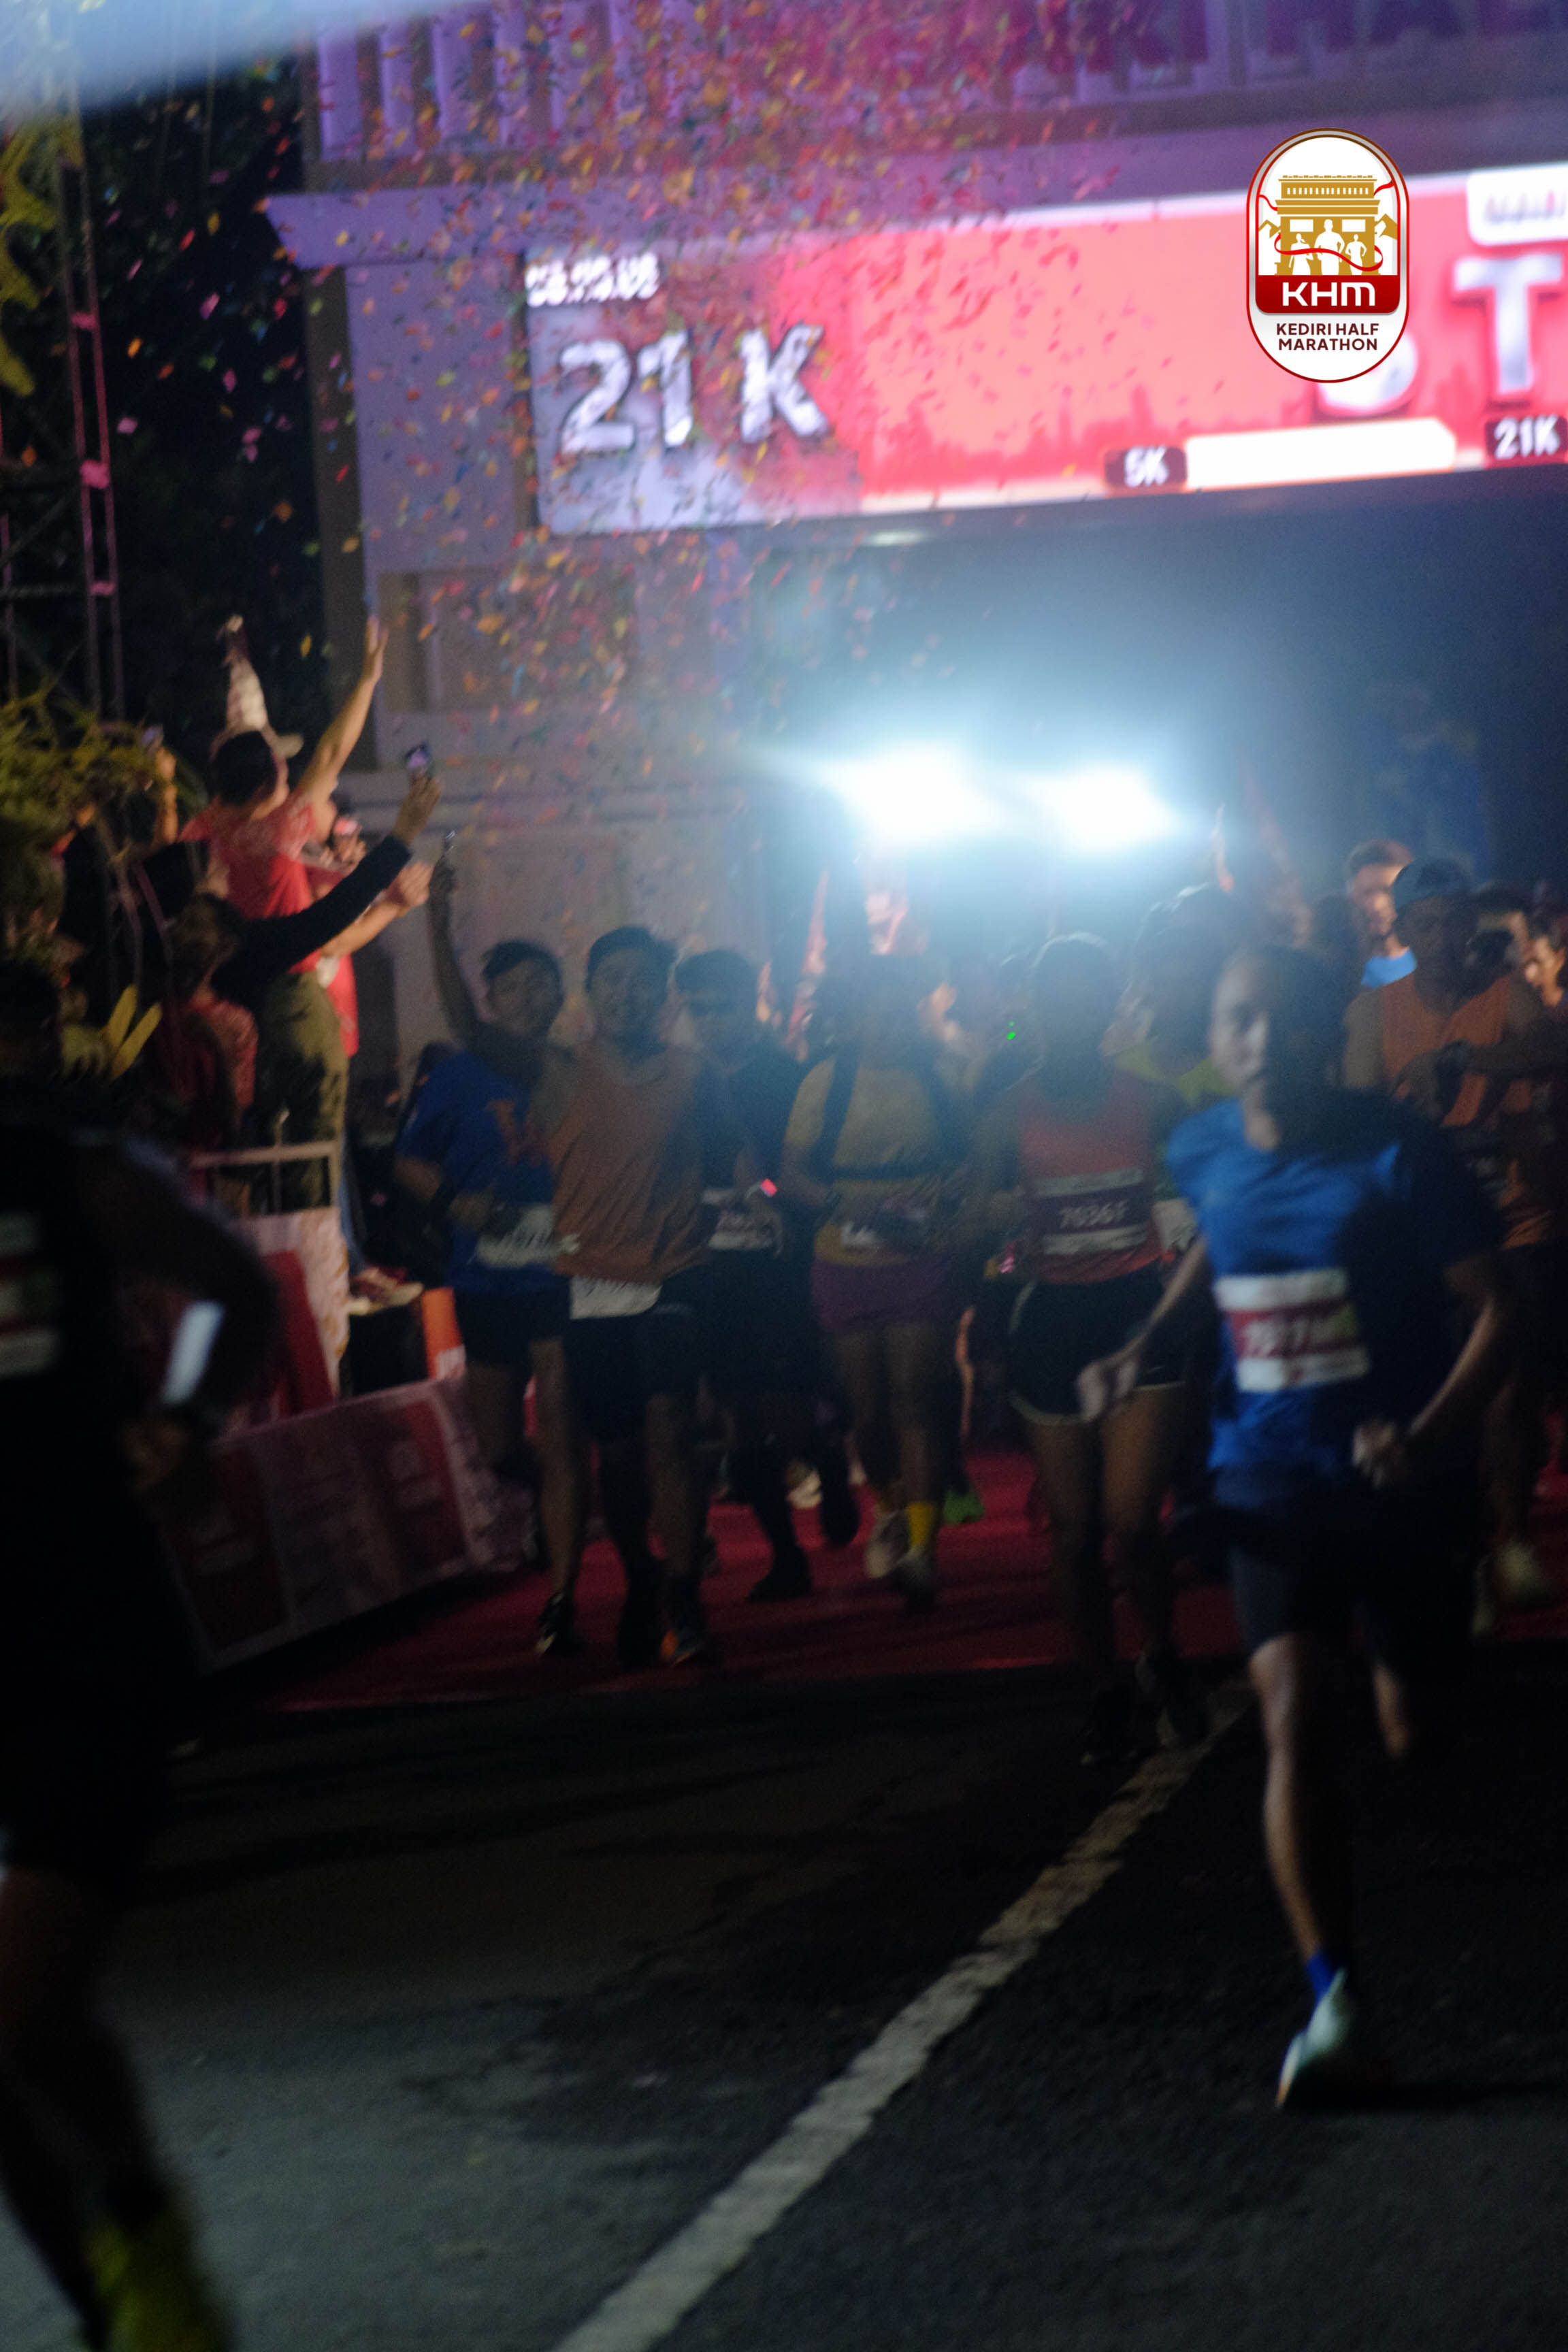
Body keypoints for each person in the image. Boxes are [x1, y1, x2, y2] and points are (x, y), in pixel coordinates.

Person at [1081, 947, 1513, 2105]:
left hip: (1396, 1485)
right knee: (1293, 1722)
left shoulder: (1399, 1152)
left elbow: (1497, 1311)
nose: (1259, 1041)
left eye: (1282, 1021)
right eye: (1239, 1019)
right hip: (1267, 1479)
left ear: (1325, 1034)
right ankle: (1334, 2003)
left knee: (1414, 1735)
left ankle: (1439, 1621)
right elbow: (1214, 1240)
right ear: (1214, 1033)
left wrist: (1426, 1434)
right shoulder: (1198, 1145)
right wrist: (1146, 1341)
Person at [0, 958, 279, 2351]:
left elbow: (234, 1288)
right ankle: (120, 2313)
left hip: (79, 1633)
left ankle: (147, 2237)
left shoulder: (60, 1172)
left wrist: (188, 1417)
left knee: (22, 2014)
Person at [963, 936, 1203, 1761]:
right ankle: (1101, 1687)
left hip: (1137, 1317)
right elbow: (969, 1233)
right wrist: (990, 1221)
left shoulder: (1156, 1102)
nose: (1068, 1015)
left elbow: (1202, 1205)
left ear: (1110, 1006)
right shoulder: (1003, 1114)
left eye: (1083, 998)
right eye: (1052, 1000)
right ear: (1032, 1011)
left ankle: (1161, 1652)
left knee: (1132, 1522)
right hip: (1050, 1322)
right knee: (1072, 1532)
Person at [528, 927, 756, 1667]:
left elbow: (734, 1151)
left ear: (665, 996)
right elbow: (474, 1031)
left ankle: (685, 1599)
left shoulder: (693, 1074)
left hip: (674, 1273)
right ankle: (641, 1576)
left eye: (644, 980)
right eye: (613, 979)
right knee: (619, 1458)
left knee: (671, 1432)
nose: (628, 993)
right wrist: (436, 923)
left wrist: (759, 1193)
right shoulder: (562, 1072)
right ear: (591, 992)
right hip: (590, 1280)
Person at [1344, 855, 1566, 1618]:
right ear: (1403, 932)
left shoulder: (1507, 994)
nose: (1441, 939)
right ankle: (1467, 1550)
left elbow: (1552, 1047)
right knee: (1440, 1391)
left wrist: (1464, 1058)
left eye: (1452, 922)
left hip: (1512, 1217)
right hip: (1421, 1233)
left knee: (1508, 1388)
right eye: (1426, 925)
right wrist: (1411, 1108)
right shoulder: (1373, 1012)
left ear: (1471, 925)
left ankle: (1511, 1535)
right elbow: (1357, 1117)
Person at [181, 619, 425, 1208]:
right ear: (264, 784)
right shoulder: (281, 827)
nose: (292, 777)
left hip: (225, 1003)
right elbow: (333, 752)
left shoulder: (195, 837)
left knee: (247, 1145)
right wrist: (368, 679)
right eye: (282, 772)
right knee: (314, 1143)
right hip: (289, 1000)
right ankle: (312, 1242)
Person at [395, 925, 586, 1654]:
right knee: (500, 1443)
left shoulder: (576, 1071)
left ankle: (561, 1599)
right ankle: (546, 1493)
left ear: (560, 996)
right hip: (486, 1274)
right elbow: (409, 1163)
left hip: (564, 1272)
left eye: (541, 984)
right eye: (513, 988)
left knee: (561, 1429)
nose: (529, 998)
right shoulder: (459, 1075)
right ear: (492, 1001)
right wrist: (457, 1204)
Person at [781, 956, 969, 1610]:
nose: (888, 1024)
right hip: (844, 1258)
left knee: (915, 1398)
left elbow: (970, 1158)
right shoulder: (826, 1080)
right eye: (876, 1011)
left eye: (899, 1011)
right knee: (868, 1410)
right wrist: (840, 1202)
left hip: (922, 1255)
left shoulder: (941, 1077)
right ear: (855, 1016)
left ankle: (922, 1546)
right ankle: (889, 1506)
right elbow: (790, 1173)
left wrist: (954, 1189)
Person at [674, 948, 858, 1597]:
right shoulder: (681, 1078)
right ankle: (785, 1555)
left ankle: (825, 1456)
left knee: (784, 1401)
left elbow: (809, 1166)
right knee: (734, 1415)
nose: (709, 1022)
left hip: (781, 1262)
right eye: (698, 1010)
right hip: (708, 1264)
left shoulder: (787, 1077)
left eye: (721, 1008)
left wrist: (772, 1198)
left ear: (751, 1002)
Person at [1343, 839, 1414, 987]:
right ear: (1352, 897)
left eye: (1389, 891)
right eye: (1367, 893)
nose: (1377, 905)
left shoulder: (1435, 959)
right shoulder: (1341, 970)